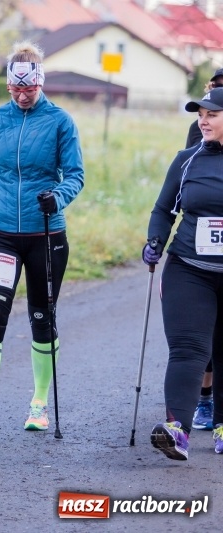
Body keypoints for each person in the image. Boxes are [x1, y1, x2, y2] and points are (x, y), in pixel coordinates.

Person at [0, 41, 84, 436]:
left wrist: (56, 196)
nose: (23, 96)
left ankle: (39, 405)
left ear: (40, 83)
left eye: (29, 89)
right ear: (8, 86)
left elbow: (75, 175)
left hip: (46, 233)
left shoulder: (61, 122)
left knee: (42, 319)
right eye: (16, 90)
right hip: (1, 234)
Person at [143, 87, 223, 460]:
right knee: (189, 350)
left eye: (212, 114)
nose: (203, 121)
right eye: (200, 114)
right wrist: (155, 241)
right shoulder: (187, 160)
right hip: (189, 268)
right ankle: (177, 430)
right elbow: (164, 210)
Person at [183, 68, 223, 432]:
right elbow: (185, 166)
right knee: (204, 333)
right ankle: (205, 400)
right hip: (199, 246)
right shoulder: (201, 127)